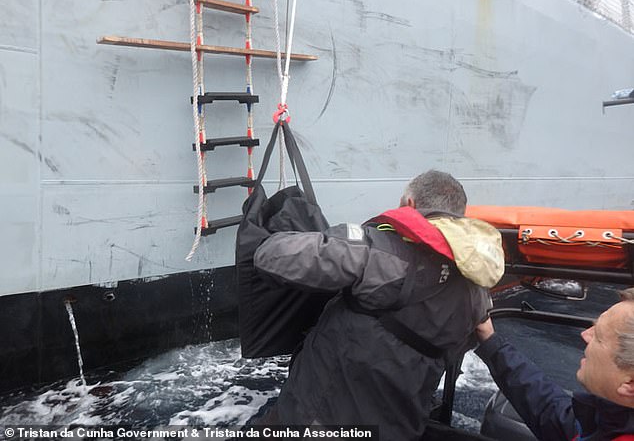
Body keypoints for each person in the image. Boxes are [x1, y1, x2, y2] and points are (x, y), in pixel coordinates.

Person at [252, 170, 505, 440]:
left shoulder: (378, 251)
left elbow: (269, 256)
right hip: (400, 427)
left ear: (409, 204)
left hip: (319, 420)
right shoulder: (477, 290)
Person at [475, 288, 634, 441]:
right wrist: (490, 340)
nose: (585, 334)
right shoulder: (607, 423)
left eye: (598, 336)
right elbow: (549, 410)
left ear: (629, 384)